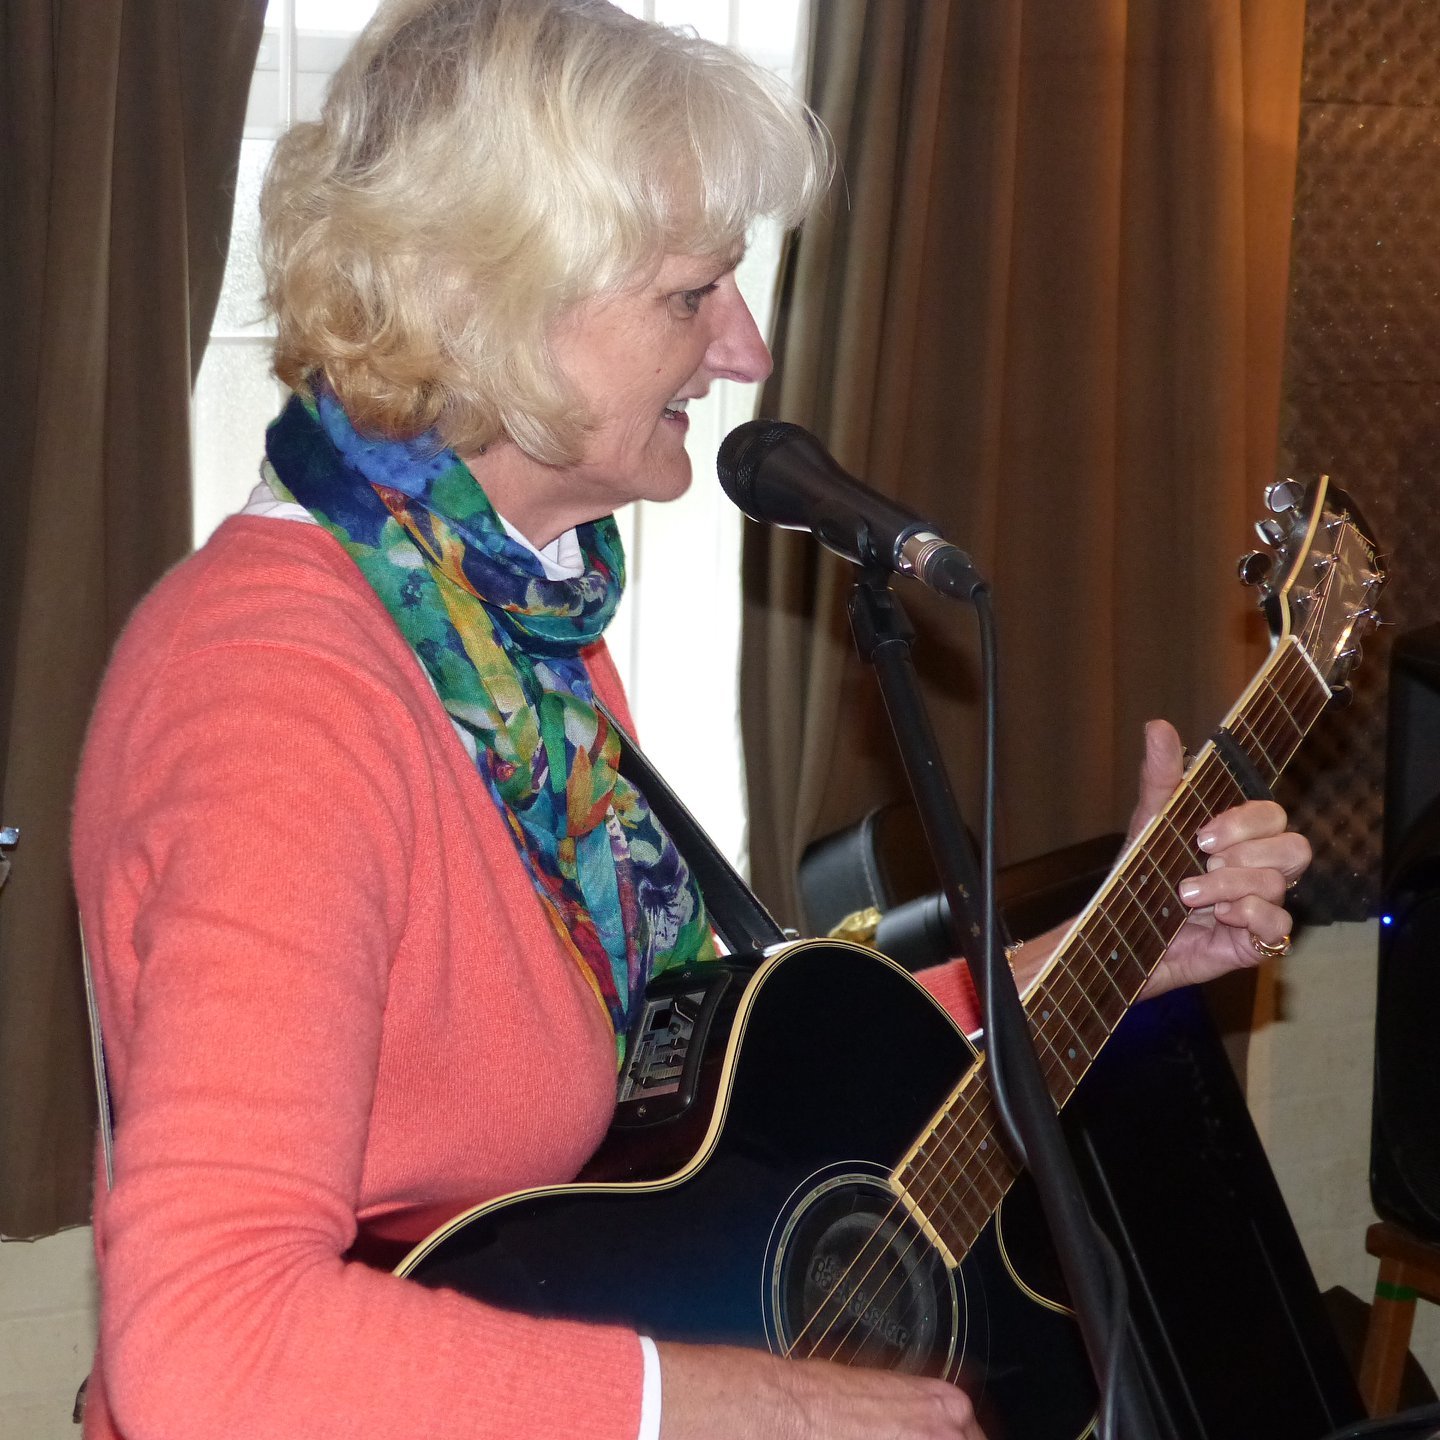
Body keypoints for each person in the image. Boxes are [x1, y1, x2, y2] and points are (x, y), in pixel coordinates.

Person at [71, 2, 1311, 1437]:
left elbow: (687, 1104)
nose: (748, 351)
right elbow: (205, 1347)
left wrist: (1105, 955)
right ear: (478, 303)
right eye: (689, 295)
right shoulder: (282, 693)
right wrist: (753, 1406)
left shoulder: (505, 640)